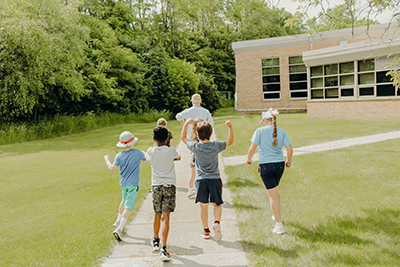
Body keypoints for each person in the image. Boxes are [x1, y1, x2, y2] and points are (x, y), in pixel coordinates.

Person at [181, 118, 233, 241]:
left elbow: (183, 138)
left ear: (197, 135)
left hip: (201, 180)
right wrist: (230, 127)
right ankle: (217, 222)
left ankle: (206, 230)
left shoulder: (195, 146)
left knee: (203, 206)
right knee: (217, 204)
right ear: (210, 133)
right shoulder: (216, 145)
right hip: (215, 179)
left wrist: (187, 124)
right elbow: (230, 141)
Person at [246, 108, 293, 234]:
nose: (262, 123)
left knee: (273, 195)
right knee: (273, 191)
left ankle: (279, 225)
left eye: (263, 121)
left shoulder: (259, 131)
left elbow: (252, 148)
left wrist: (249, 159)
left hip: (266, 166)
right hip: (279, 166)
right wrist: (288, 161)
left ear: (266, 120)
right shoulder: (281, 131)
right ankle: (275, 214)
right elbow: (289, 148)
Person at [145, 126, 181, 262]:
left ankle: (155, 240)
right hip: (169, 185)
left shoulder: (151, 151)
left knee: (157, 214)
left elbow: (147, 159)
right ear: (167, 138)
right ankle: (164, 249)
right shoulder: (171, 150)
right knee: (166, 217)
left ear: (154, 139)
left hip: (156, 186)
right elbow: (178, 157)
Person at [104, 131, 146, 241]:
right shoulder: (137, 153)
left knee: (124, 200)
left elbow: (112, 168)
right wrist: (145, 153)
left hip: (123, 183)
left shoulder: (119, 155)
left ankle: (118, 220)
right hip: (133, 184)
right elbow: (147, 159)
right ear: (132, 143)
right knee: (129, 206)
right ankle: (119, 228)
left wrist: (107, 160)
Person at [176, 94, 214, 198]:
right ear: (200, 101)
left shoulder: (188, 111)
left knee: (193, 169)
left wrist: (183, 122)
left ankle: (190, 190)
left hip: (192, 139)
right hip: (203, 139)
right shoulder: (205, 111)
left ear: (192, 101)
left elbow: (178, 116)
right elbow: (211, 124)